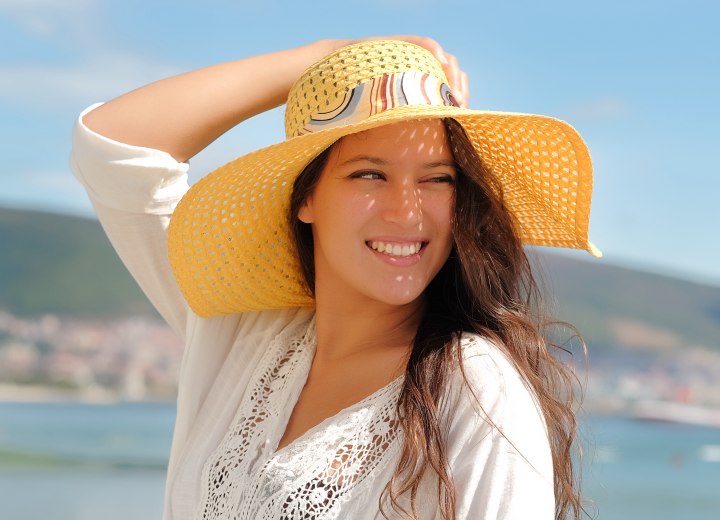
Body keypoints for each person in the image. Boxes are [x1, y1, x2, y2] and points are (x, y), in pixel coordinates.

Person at [70, 36, 599, 520]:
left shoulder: (474, 388)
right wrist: (329, 57)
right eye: (370, 173)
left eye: (437, 179)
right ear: (305, 197)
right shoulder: (245, 331)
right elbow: (113, 148)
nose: (406, 212)